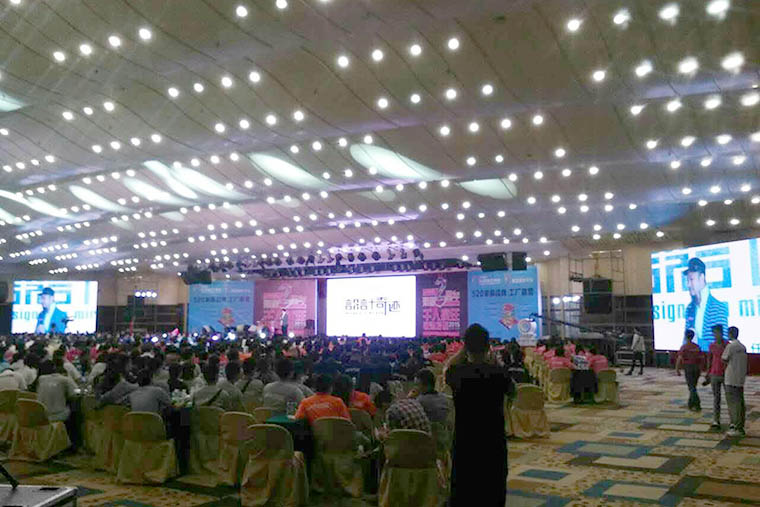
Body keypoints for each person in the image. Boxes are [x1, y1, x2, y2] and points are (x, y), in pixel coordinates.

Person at [445, 324, 514, 507]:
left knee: (464, 487)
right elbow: (512, 392)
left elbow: (450, 368)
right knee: (493, 486)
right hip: (493, 438)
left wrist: (464, 351)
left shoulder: (456, 373)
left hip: (465, 439)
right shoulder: (500, 374)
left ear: (465, 346)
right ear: (488, 346)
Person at [683, 258, 728, 349]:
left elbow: (722, 344)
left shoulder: (719, 308)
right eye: (687, 281)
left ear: (702, 278)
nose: (688, 285)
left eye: (691, 280)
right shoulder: (690, 308)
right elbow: (686, 340)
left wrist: (697, 343)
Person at [721, 326, 747, 437]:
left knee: (733, 403)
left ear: (730, 334)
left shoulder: (730, 346)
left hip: (731, 378)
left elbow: (724, 359)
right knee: (740, 402)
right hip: (740, 378)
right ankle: (740, 425)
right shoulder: (743, 346)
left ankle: (736, 427)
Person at [675, 330, 703, 412]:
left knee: (691, 387)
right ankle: (690, 404)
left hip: (688, 368)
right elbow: (701, 359)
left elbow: (679, 358)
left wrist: (677, 369)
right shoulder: (697, 347)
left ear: (685, 336)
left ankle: (697, 404)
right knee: (693, 386)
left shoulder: (684, 347)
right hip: (696, 368)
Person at [705, 325, 726, 429]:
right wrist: (708, 372)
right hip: (714, 373)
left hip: (726, 374)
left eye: (716, 333)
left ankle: (733, 421)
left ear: (721, 333)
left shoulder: (727, 345)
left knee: (729, 398)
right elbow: (709, 359)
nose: (715, 335)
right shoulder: (711, 345)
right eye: (714, 333)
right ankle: (716, 420)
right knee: (716, 398)